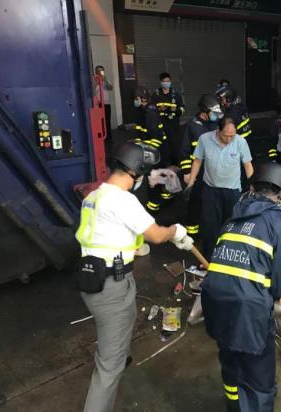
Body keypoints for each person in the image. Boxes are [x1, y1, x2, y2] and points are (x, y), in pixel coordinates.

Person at [76, 141, 193, 412]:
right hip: (110, 286)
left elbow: (115, 233)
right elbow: (156, 234)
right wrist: (175, 231)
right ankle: (114, 364)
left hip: (95, 278)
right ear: (135, 171)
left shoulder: (94, 196)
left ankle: (121, 354)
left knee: (128, 314)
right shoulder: (123, 199)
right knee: (108, 368)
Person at [201, 162, 281, 411]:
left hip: (215, 303)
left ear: (252, 188)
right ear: (280, 194)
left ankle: (233, 406)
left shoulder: (232, 219)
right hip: (249, 311)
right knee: (258, 378)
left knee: (230, 361)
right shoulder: (280, 223)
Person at [187, 117, 254, 258]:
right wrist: (191, 182)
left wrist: (254, 187)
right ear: (218, 130)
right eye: (226, 135)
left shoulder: (240, 141)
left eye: (232, 136)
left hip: (232, 191)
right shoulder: (205, 139)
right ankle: (209, 258)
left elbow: (248, 165)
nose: (229, 139)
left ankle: (228, 257)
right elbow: (197, 161)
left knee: (232, 225)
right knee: (209, 226)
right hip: (210, 190)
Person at [179, 94, 222, 236]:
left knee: (214, 200)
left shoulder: (216, 124)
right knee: (195, 200)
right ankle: (192, 229)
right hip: (198, 171)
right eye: (213, 113)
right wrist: (187, 172)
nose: (216, 116)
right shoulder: (192, 126)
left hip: (215, 170)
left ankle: (212, 227)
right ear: (204, 112)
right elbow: (184, 150)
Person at [131, 87, 171, 214]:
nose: (135, 101)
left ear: (142, 99)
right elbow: (141, 130)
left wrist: (147, 151)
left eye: (136, 98)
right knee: (159, 174)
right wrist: (138, 143)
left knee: (153, 177)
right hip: (155, 148)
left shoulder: (150, 113)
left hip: (158, 149)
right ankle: (166, 194)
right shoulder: (142, 111)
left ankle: (154, 205)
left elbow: (156, 138)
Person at [151, 72, 185, 167]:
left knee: (174, 146)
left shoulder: (176, 95)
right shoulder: (156, 95)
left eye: (168, 81)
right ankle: (162, 165)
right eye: (164, 81)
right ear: (160, 82)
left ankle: (175, 165)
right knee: (161, 146)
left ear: (170, 81)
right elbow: (151, 109)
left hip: (173, 125)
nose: (166, 83)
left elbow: (183, 109)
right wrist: (159, 109)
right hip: (160, 125)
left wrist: (176, 110)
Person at [95, 65, 114, 149]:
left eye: (102, 70)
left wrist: (105, 80)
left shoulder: (105, 80)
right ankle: (100, 137)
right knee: (99, 122)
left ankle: (108, 138)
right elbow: (92, 90)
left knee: (107, 121)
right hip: (98, 104)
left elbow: (111, 88)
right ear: (96, 71)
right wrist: (97, 81)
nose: (100, 72)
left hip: (106, 104)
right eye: (99, 71)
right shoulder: (93, 80)